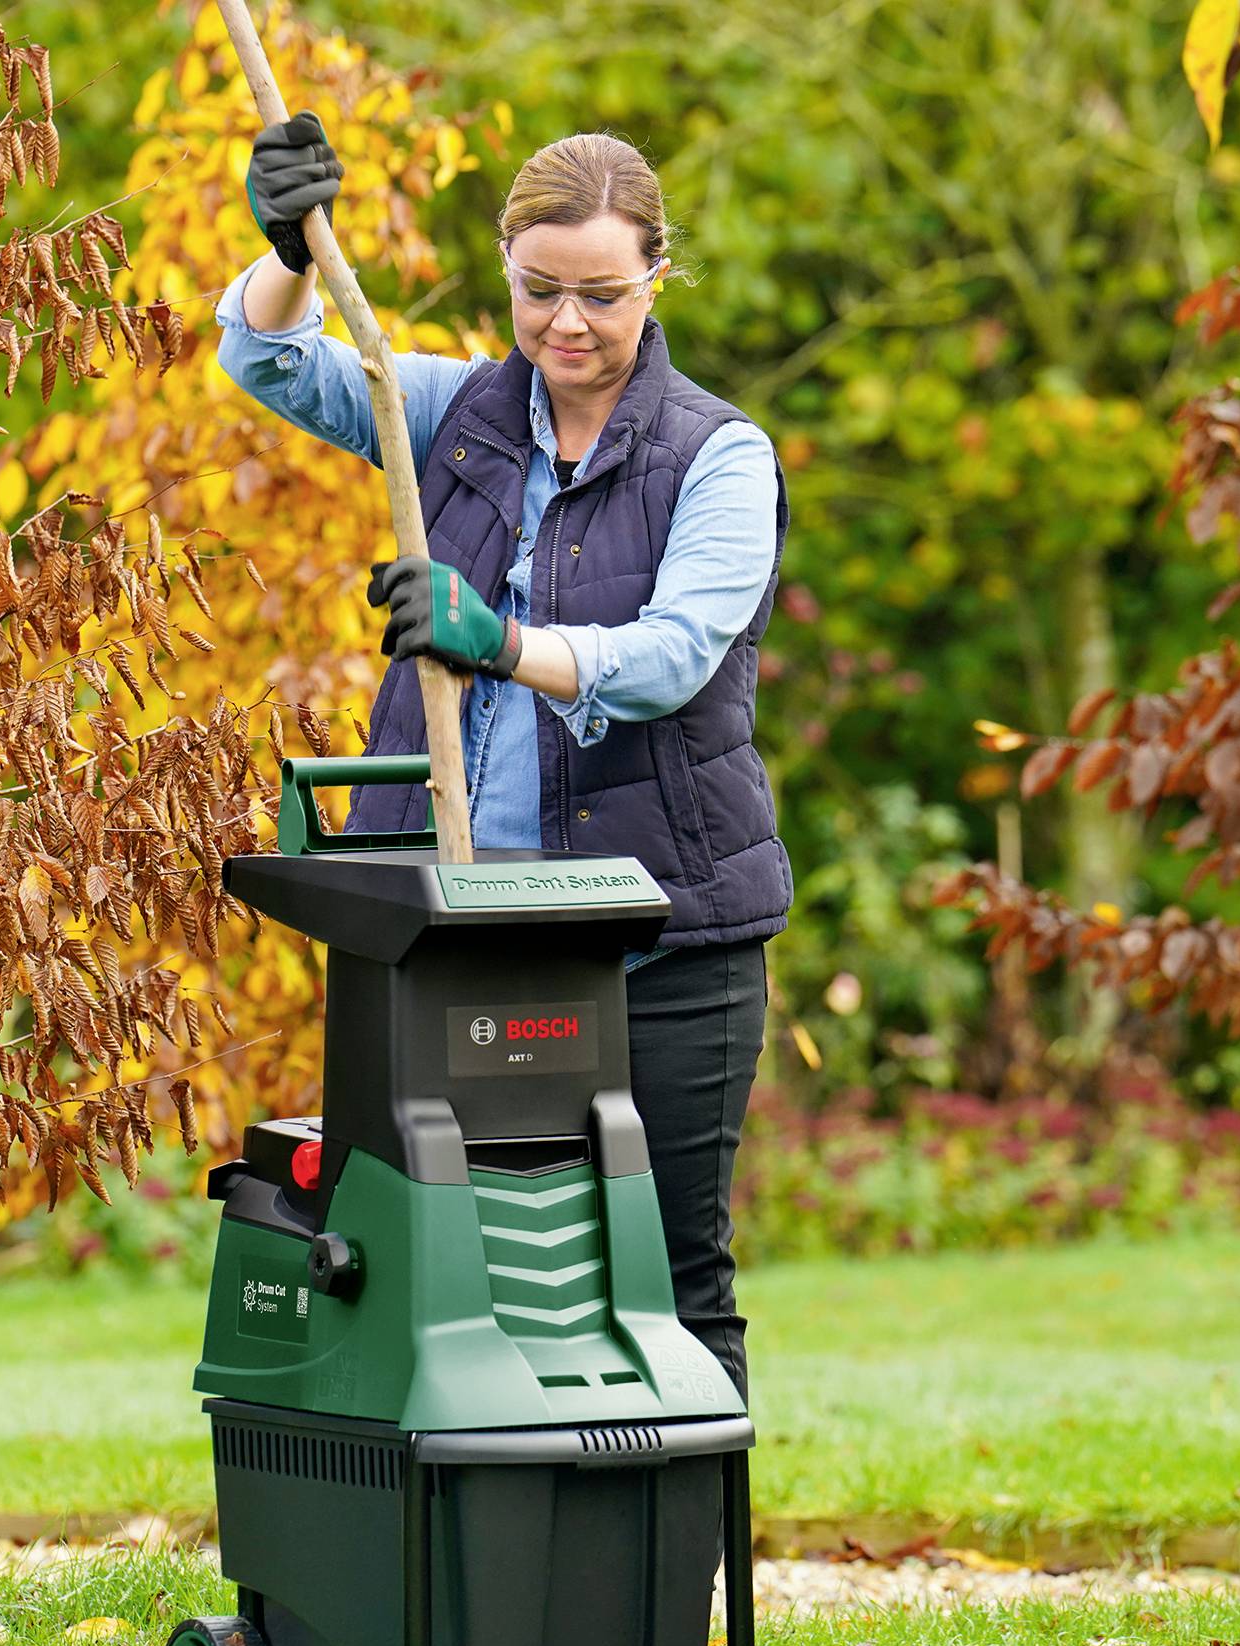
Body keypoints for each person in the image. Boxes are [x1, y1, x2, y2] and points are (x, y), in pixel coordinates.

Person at [218, 113, 787, 1400]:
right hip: (457, 937)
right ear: (507, 274)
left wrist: (503, 640)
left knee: (667, 1274)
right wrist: (286, 251)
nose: (566, 324)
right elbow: (267, 356)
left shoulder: (717, 456)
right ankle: (479, 1583)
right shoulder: (450, 412)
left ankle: (664, 1594)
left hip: (657, 942)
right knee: (450, 1269)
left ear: (656, 277)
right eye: (539, 291)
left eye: (601, 293)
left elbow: (677, 652)